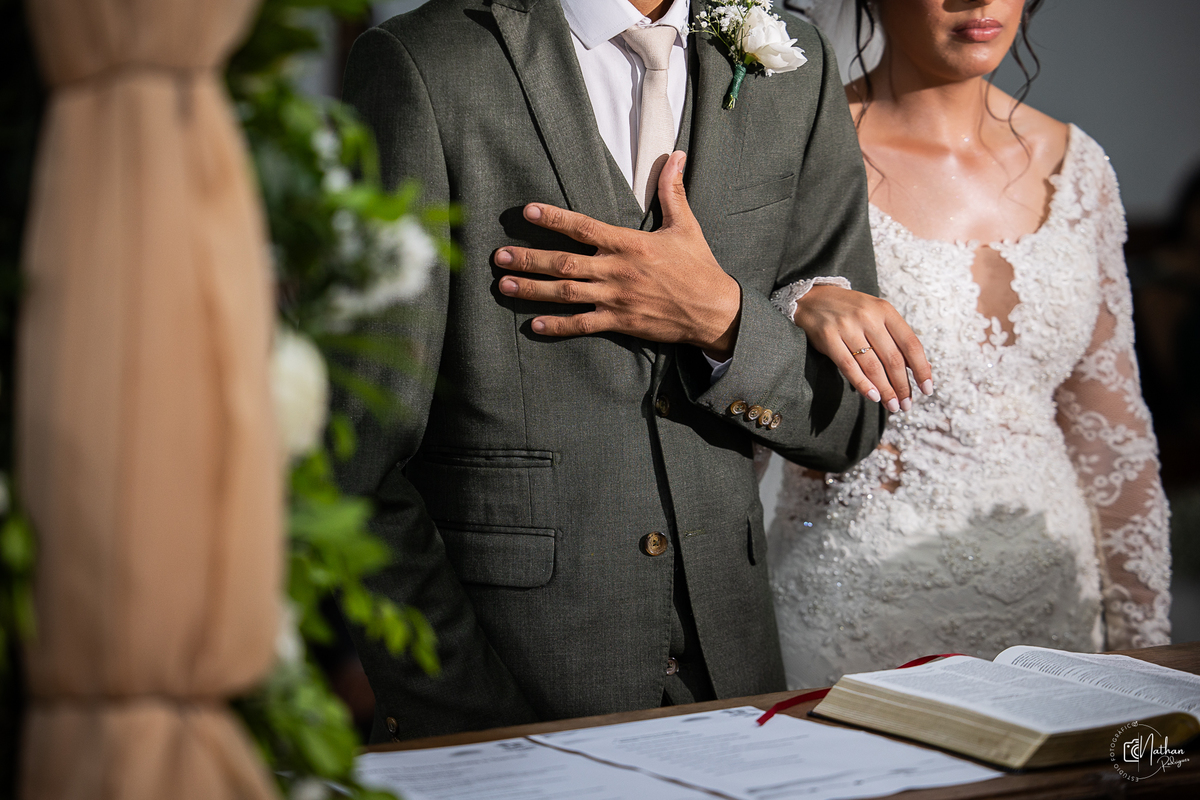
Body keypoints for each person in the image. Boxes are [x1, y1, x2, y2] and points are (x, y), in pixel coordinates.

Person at [338, 0, 885, 741]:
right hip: (510, 691)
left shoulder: (799, 66)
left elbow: (849, 422)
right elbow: (357, 458)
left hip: (737, 698)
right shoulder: (426, 62)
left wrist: (721, 318)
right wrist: (462, 714)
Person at [768, 0, 1172, 690]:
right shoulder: (801, 152)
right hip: (857, 612)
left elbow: (1112, 439)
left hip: (1057, 617)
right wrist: (791, 306)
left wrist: (1144, 659)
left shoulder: (1078, 167)